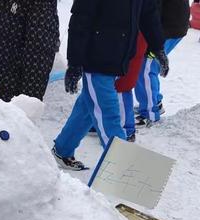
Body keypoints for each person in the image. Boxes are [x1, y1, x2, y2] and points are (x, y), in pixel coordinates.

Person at [52, 0, 166, 171]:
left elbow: (148, 13)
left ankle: (62, 149)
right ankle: (122, 172)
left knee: (87, 108)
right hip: (95, 61)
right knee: (108, 115)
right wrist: (75, 63)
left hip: (117, 59)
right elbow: (80, 20)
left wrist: (158, 47)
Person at [0, 0, 59, 103]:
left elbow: (39, 49)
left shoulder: (41, 5)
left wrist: (28, 97)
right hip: (0, 75)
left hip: (18, 87)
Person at [135, 0, 190, 127]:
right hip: (171, 23)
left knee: (145, 68)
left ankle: (149, 113)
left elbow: (154, 6)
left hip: (167, 27)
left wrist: (153, 38)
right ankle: (154, 102)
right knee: (147, 67)